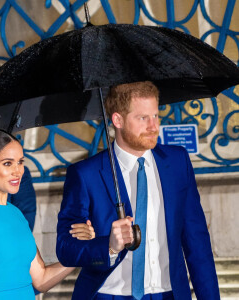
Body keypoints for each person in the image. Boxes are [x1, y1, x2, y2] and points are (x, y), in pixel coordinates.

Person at [56, 81, 220, 300]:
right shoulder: (85, 174)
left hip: (169, 294)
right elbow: (66, 249)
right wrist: (109, 247)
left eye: (155, 116)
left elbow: (197, 241)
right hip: (109, 295)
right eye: (143, 118)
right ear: (118, 120)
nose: (153, 126)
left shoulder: (178, 161)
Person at [0, 129, 95, 300]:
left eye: (20, 162)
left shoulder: (16, 214)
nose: (18, 171)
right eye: (8, 163)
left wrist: (83, 249)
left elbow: (42, 279)